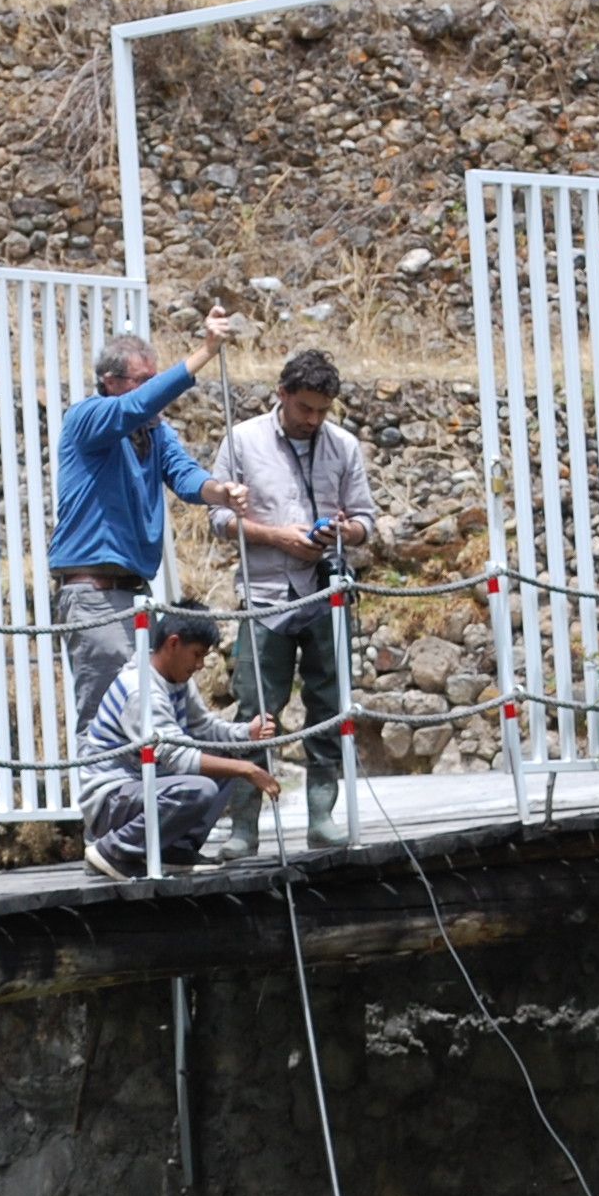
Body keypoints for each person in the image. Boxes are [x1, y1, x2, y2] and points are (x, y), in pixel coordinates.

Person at [48, 310, 253, 743]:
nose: (152, 392)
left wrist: (221, 492)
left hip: (134, 594)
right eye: (142, 380)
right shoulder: (89, 417)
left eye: (153, 378)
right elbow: (136, 406)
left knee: (143, 711)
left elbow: (186, 477)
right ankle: (102, 808)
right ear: (110, 381)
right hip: (93, 596)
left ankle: (141, 808)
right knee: (105, 714)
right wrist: (205, 352)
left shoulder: (156, 433)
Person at [207, 347, 381, 851]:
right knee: (256, 712)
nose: (314, 419)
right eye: (306, 408)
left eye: (324, 410)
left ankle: (322, 817)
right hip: (264, 597)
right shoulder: (242, 441)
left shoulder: (343, 446)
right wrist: (277, 537)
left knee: (328, 705)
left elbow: (367, 521)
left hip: (326, 592)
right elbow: (219, 520)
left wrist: (342, 530)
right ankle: (244, 828)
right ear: (282, 394)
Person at [76, 601, 278, 880]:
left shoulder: (176, 680)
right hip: (111, 802)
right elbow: (179, 758)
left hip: (144, 789)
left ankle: (176, 849)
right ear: (173, 644)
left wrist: (245, 733)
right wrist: (249, 770)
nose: (199, 665)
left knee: (227, 759)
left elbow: (203, 726)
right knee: (200, 787)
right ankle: (114, 851)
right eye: (196, 655)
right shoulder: (141, 689)